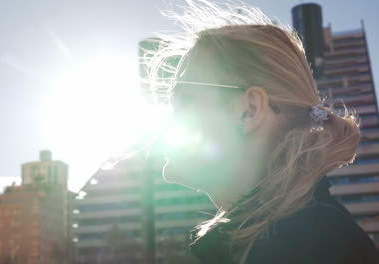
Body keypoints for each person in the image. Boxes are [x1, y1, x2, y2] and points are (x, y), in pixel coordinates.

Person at [142, 0, 379, 263]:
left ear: (249, 111)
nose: (166, 120)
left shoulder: (313, 244)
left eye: (184, 100)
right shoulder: (294, 235)